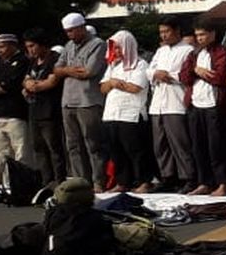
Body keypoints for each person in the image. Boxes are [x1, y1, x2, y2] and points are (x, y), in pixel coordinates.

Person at [53, 12, 108, 190]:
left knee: (93, 143)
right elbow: (56, 69)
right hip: (68, 101)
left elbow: (89, 72)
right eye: (67, 32)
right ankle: (80, 182)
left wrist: (65, 70)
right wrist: (70, 70)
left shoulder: (98, 44)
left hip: (88, 100)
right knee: (73, 145)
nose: (70, 35)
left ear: (82, 27)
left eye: (72, 31)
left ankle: (98, 181)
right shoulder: (68, 45)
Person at [181, 18, 226, 196]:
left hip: (214, 105)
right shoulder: (194, 54)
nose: (200, 38)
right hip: (195, 104)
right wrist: (197, 70)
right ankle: (204, 182)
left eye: (203, 34)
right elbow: (184, 77)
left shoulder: (222, 53)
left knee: (217, 147)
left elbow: (219, 78)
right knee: (198, 147)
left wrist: (199, 72)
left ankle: (223, 183)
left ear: (212, 34)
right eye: (197, 35)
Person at [100, 30, 153, 193]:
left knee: (136, 151)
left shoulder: (140, 64)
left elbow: (136, 87)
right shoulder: (113, 66)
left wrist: (115, 83)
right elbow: (103, 88)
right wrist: (115, 83)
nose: (116, 52)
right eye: (114, 49)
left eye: (118, 48)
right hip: (112, 113)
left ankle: (143, 181)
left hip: (131, 114)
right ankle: (123, 181)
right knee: (116, 150)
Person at [148, 18, 197, 193]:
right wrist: (155, 73)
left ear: (177, 31)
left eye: (167, 31)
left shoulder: (188, 50)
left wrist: (167, 75)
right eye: (161, 32)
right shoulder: (161, 51)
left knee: (180, 143)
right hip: (158, 103)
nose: (164, 35)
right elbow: (150, 70)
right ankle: (168, 176)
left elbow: (187, 73)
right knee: (160, 144)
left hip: (176, 101)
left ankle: (188, 177)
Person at [22, 29, 65, 185]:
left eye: (32, 46)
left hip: (50, 111)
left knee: (54, 149)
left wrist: (33, 86)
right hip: (34, 110)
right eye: (27, 46)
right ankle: (46, 181)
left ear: (42, 44)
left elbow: (52, 82)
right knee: (39, 148)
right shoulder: (33, 62)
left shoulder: (55, 59)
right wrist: (29, 85)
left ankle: (59, 181)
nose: (30, 50)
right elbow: (25, 80)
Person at [0, 33, 30, 186]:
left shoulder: (22, 61)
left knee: (21, 152)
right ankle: (8, 184)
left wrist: (1, 86)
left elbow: (12, 83)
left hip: (16, 114)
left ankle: (23, 183)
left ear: (12, 45)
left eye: (2, 46)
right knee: (2, 153)